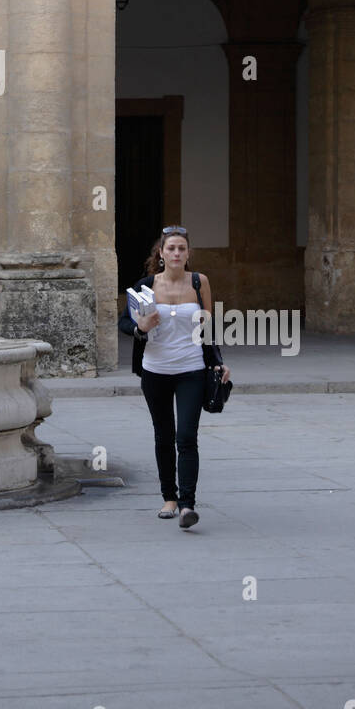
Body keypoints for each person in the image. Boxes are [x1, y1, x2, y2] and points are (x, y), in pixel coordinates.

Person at [119, 226, 231, 530]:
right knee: (164, 436)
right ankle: (168, 497)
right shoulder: (145, 286)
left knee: (186, 438)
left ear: (188, 253)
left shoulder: (199, 282)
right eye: (171, 249)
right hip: (155, 371)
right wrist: (140, 327)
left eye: (182, 248)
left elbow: (207, 327)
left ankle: (187, 505)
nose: (177, 253)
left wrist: (217, 363)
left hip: (192, 369)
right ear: (161, 253)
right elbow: (124, 323)